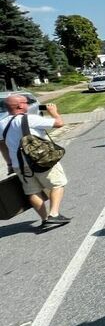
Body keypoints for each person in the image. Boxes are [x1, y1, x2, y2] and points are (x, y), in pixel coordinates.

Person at [0, 97, 71, 229]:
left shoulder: (2, 124)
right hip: (39, 160)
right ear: (20, 106)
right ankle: (54, 214)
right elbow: (59, 123)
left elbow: (3, 146)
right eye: (25, 102)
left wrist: (9, 164)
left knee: (32, 191)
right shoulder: (29, 119)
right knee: (57, 184)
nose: (27, 104)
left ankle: (44, 219)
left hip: (18, 164)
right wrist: (53, 112)